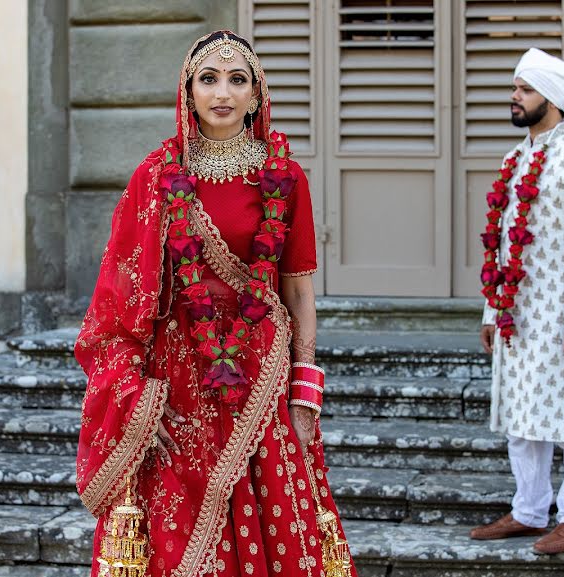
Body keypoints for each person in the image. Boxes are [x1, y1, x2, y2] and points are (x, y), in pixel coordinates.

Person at [74, 30, 356, 577]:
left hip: (264, 374)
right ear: (188, 92)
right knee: (176, 526)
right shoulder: (154, 179)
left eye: (236, 79)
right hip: (179, 377)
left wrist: (305, 389)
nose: (222, 91)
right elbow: (118, 291)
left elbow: (297, 289)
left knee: (273, 506)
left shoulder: (286, 179)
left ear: (256, 95)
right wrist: (130, 394)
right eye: (208, 79)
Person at [470, 48, 564, 555]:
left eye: (524, 89)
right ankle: (530, 510)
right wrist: (493, 309)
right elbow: (501, 243)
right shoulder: (514, 159)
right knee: (519, 413)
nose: (514, 96)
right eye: (515, 87)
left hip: (562, 316)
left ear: (550, 99)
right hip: (517, 314)